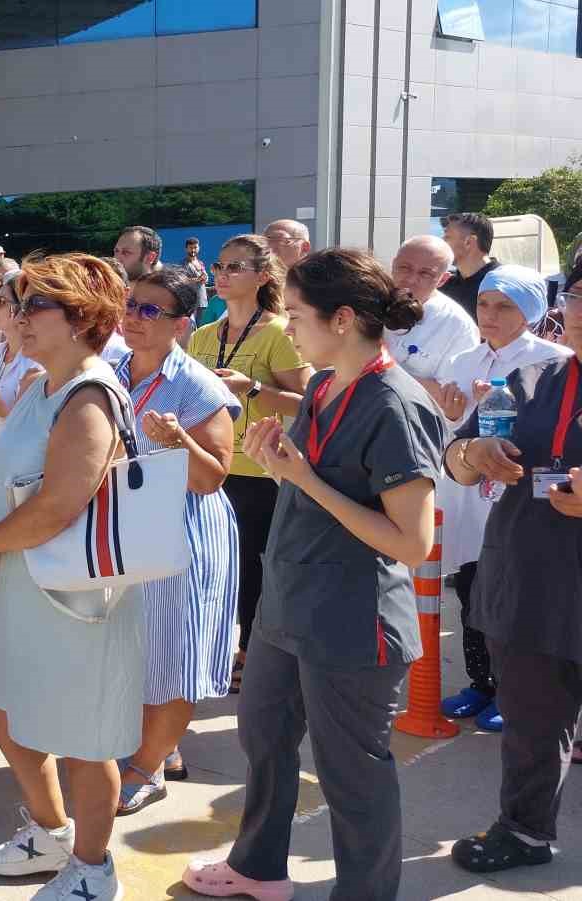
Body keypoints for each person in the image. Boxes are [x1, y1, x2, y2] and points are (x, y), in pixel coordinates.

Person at [183, 247, 443, 901]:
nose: (288, 326)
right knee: (263, 735)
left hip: (352, 623)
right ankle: (258, 865)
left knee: (352, 774)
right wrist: (279, 464)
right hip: (290, 602)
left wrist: (300, 478)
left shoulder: (395, 405)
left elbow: (412, 543)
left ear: (345, 318)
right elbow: (320, 482)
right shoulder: (327, 383)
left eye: (297, 314)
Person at [0, 254, 136, 899]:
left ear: (83, 317)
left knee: (85, 735)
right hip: (20, 581)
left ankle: (92, 866)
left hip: (73, 596)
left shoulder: (91, 395)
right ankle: (54, 832)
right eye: (19, 303)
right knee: (4, 706)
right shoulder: (39, 385)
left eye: (36, 306)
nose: (18, 317)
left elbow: (62, 504)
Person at [442, 289, 582, 874]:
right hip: (530, 577)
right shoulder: (535, 378)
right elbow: (454, 455)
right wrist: (475, 450)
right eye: (578, 296)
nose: (580, 311)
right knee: (531, 718)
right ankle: (525, 832)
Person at [113, 267, 241, 815]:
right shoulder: (114, 367)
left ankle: (145, 770)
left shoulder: (195, 385)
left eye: (150, 311)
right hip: (130, 529)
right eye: (131, 304)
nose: (134, 317)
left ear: (183, 323)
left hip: (186, 534)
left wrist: (179, 441)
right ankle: (159, 750)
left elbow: (213, 476)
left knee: (177, 653)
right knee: (140, 652)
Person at [434, 265, 570, 732]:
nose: (489, 315)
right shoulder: (462, 361)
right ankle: (483, 682)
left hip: (530, 504)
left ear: (531, 312)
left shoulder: (552, 360)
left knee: (525, 603)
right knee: (475, 590)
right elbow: (455, 437)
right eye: (484, 304)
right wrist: (457, 424)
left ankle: (514, 692)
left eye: (505, 306)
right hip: (474, 494)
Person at [185, 234, 312, 691]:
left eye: (234, 267)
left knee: (256, 567)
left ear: (261, 277)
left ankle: (251, 652)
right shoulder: (201, 335)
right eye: (219, 267)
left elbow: (310, 402)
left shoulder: (280, 332)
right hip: (210, 466)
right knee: (216, 564)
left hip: (261, 469)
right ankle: (222, 645)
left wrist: (252, 389)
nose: (221, 275)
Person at [385, 235, 481, 396]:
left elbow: (452, 396)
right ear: (393, 264)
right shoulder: (369, 301)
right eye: (404, 268)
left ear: (443, 280)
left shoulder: (458, 326)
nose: (410, 279)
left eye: (425, 274)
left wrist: (380, 371)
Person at [0, 273, 45, 420]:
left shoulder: (37, 362)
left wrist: (4, 412)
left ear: (22, 309)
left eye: (1, 302)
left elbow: (38, 425)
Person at [440, 211, 501, 318]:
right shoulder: (444, 283)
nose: (441, 242)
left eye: (447, 237)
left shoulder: (502, 285)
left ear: (469, 241)